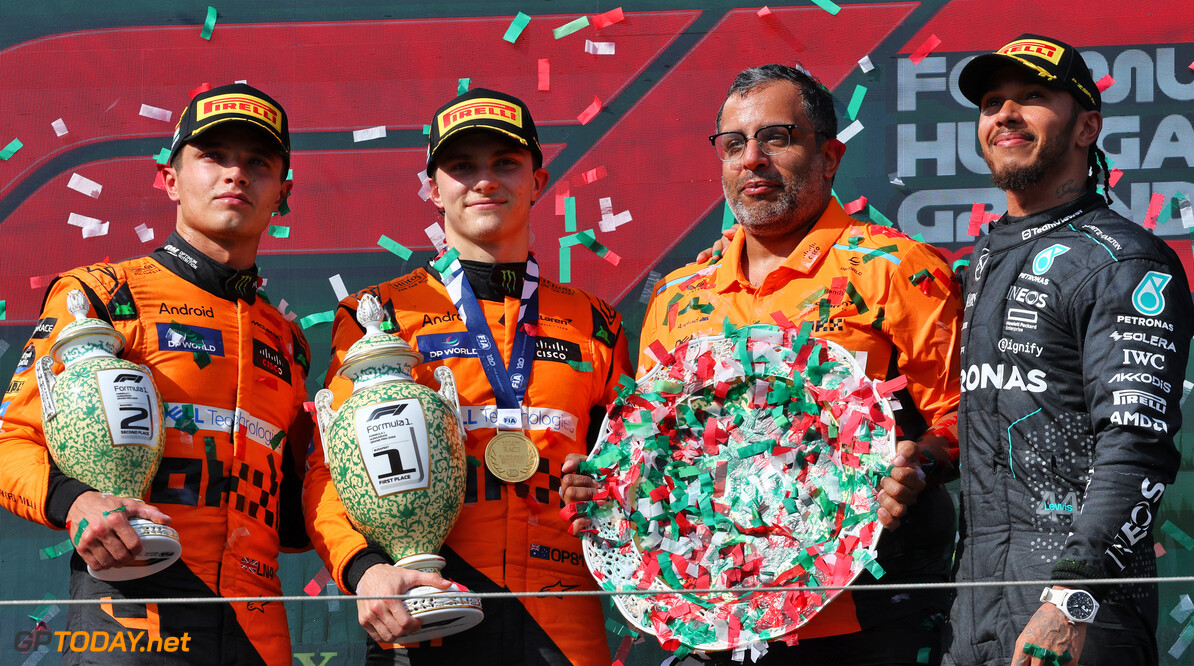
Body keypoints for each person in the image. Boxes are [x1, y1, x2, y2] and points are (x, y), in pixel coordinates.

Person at [563, 64, 963, 664]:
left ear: (829, 156)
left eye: (775, 137)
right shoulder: (678, 296)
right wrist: (602, 486)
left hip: (868, 622)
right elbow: (651, 456)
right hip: (714, 624)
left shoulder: (896, 268)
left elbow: (964, 416)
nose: (752, 158)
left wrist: (920, 464)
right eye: (733, 144)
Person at [303, 87, 633, 666]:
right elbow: (329, 470)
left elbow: (634, 471)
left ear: (540, 178)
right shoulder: (378, 314)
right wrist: (363, 568)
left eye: (506, 162)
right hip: (425, 603)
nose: (484, 180)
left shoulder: (597, 322)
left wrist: (606, 490)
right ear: (431, 187)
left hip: (564, 619)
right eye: (461, 166)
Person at [0, 83, 312, 664]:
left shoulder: (288, 340)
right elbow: (10, 440)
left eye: (258, 163)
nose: (236, 174)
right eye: (213, 157)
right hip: (128, 602)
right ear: (169, 178)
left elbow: (293, 517)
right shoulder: (101, 295)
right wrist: (77, 502)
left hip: (258, 626)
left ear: (283, 193)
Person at [947, 34, 1192, 666]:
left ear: (1088, 127)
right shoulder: (981, 261)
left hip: (1076, 616)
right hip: (973, 610)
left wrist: (1070, 599)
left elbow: (1136, 446)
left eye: (1032, 96)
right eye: (992, 101)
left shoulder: (1125, 260)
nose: (1005, 113)